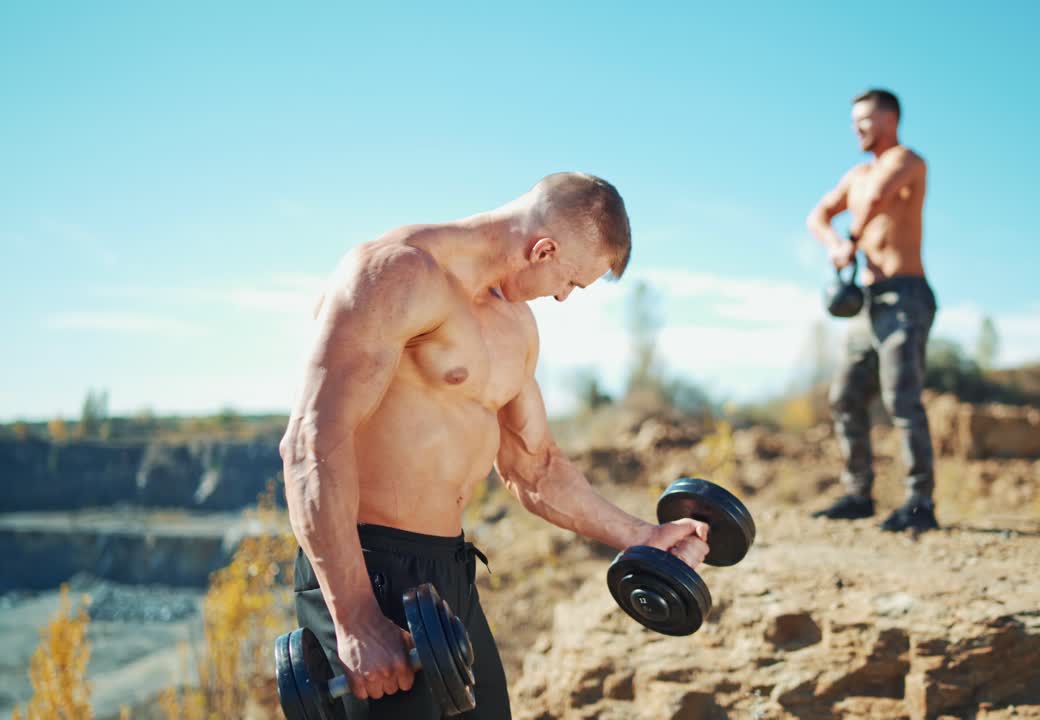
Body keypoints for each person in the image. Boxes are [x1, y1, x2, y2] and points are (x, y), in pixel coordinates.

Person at [279, 172, 711, 719]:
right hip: (365, 568)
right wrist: (356, 617)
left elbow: (535, 467)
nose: (562, 295)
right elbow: (311, 444)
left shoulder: (515, 325)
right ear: (544, 248)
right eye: (572, 282)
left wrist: (644, 537)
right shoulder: (395, 272)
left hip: (448, 574)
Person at [805, 88, 940, 532]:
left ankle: (921, 504)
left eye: (864, 120)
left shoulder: (906, 160)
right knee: (844, 395)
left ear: (889, 119)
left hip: (906, 295)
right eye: (854, 121)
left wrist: (853, 237)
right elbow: (817, 215)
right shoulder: (856, 173)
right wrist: (836, 244)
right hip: (868, 302)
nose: (856, 128)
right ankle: (858, 494)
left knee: (902, 398)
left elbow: (877, 198)